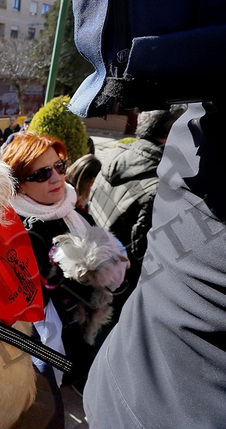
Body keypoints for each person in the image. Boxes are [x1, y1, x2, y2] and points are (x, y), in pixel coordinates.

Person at [3, 132, 125, 389]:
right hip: (60, 335)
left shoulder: (71, 207)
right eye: (42, 173)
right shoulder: (22, 231)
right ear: (19, 185)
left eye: (59, 166)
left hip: (91, 324)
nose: (57, 177)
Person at [87, 106, 185, 321]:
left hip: (94, 268)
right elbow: (146, 259)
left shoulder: (117, 154)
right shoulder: (158, 189)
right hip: (118, 290)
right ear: (172, 135)